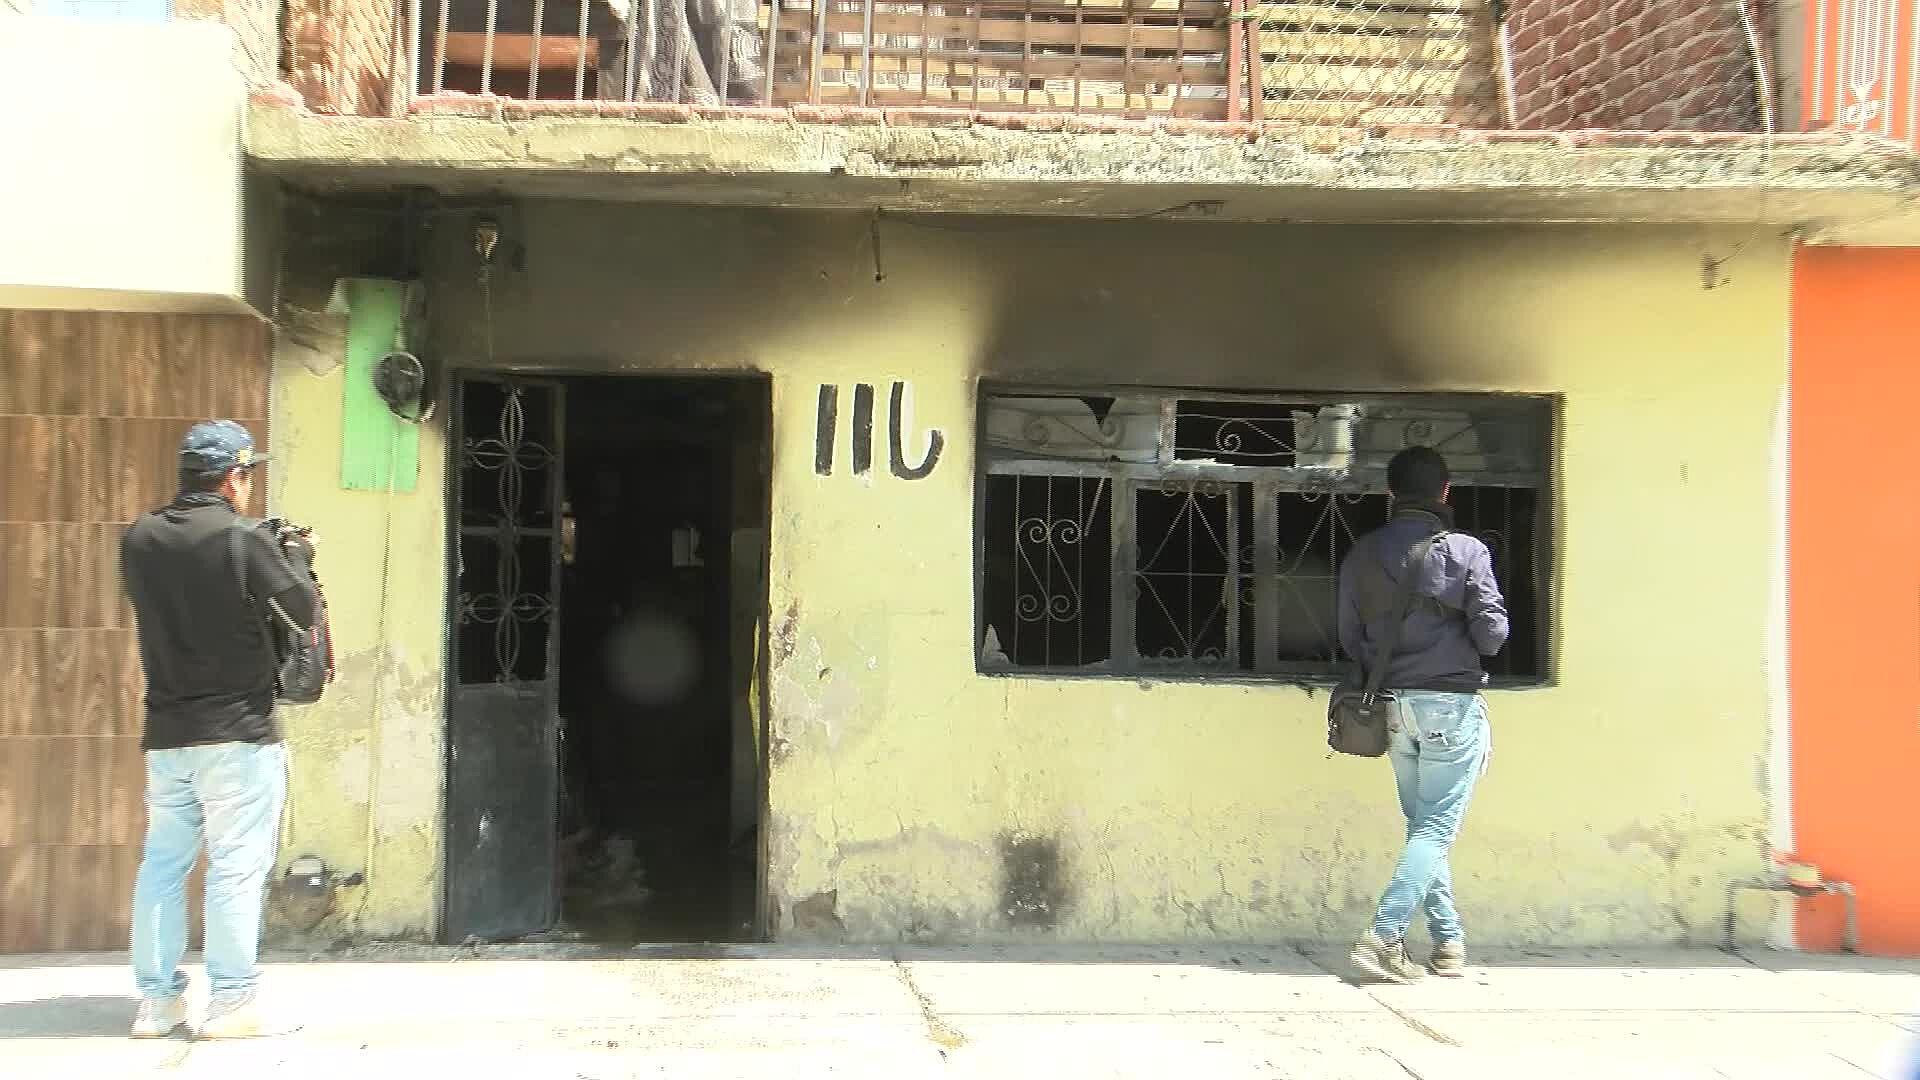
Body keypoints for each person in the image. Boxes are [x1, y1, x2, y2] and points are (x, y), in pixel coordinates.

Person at [120, 421, 316, 1038]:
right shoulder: (245, 537)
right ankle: (230, 1004)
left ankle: (156, 1004)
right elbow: (303, 610)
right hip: (238, 733)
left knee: (163, 865)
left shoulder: (140, 539)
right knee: (235, 867)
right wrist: (296, 557)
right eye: (248, 473)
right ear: (233, 478)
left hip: (169, 733)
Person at [1338, 445, 1509, 983]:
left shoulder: (1363, 553)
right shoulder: (1466, 551)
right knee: (1436, 828)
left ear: (1390, 495)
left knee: (1422, 827)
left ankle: (1448, 940)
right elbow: (1494, 635)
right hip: (1451, 706)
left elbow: (1349, 635)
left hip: (1389, 706)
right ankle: (1383, 935)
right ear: (1446, 493)